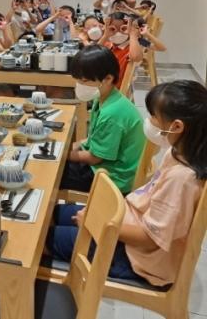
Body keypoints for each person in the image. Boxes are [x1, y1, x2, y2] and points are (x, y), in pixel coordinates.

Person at [48, 80, 206, 287]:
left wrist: (98, 223)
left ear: (177, 126)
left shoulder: (182, 179)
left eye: (154, 116)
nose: (149, 121)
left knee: (42, 239)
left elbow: (150, 238)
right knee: (52, 213)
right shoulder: (178, 153)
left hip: (134, 256)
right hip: (125, 221)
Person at [61, 45, 145, 194]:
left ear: (108, 79)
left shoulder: (112, 114)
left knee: (54, 172)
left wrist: (62, 155)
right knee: (56, 162)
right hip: (107, 166)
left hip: (114, 177)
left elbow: (94, 158)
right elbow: (92, 139)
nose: (80, 85)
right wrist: (67, 147)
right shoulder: (106, 98)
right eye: (77, 80)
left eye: (84, 81)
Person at [98, 12, 144, 88]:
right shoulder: (108, 44)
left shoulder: (131, 48)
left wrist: (132, 34)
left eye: (123, 28)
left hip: (113, 89)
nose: (118, 33)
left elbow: (136, 57)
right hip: (101, 83)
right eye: (113, 29)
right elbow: (91, 54)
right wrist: (105, 35)